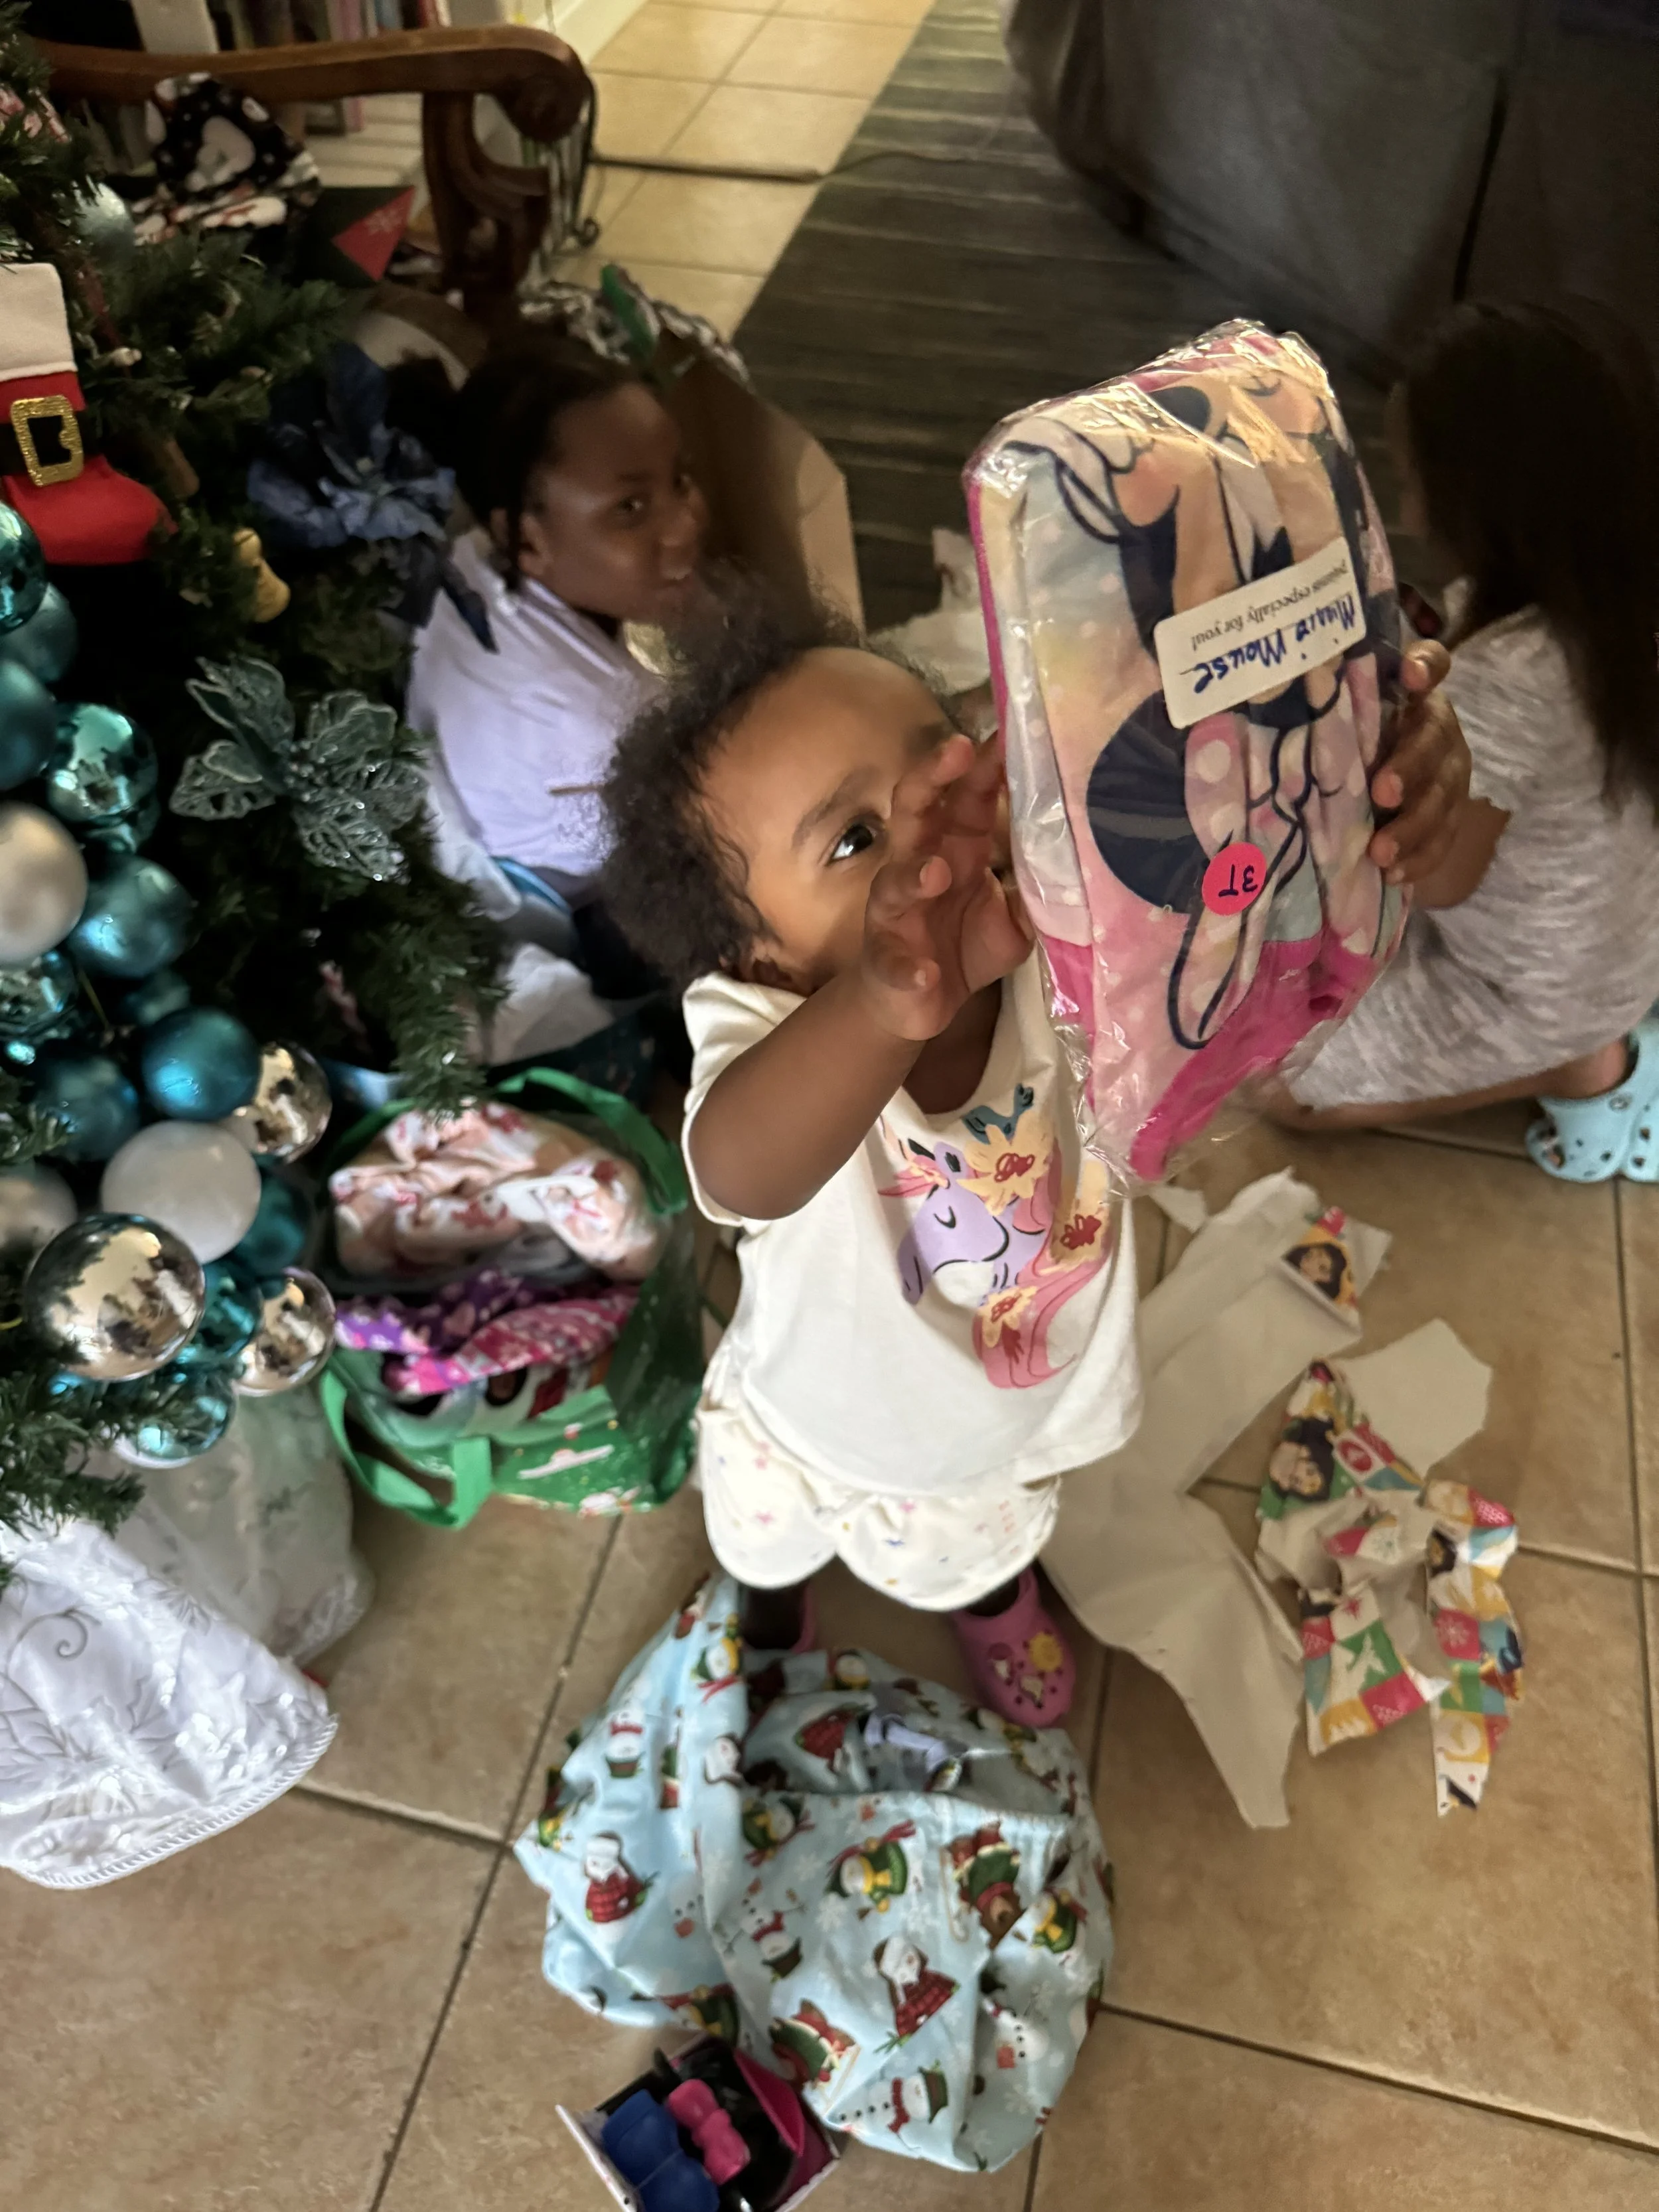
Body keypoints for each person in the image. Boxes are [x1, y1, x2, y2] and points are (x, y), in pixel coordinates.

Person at [599, 593, 1469, 1724]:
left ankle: (994, 1597)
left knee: (981, 1548)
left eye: (943, 780)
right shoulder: (762, 1027)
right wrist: (882, 998)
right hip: (811, 1423)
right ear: (754, 953)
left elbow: (1255, 902)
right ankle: (767, 1616)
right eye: (854, 839)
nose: (932, 845)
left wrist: (1351, 771)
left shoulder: (1077, 932)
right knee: (764, 1544)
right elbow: (738, 1170)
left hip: (1000, 1431)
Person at [1279, 300, 1659, 1179]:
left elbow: (1438, 881)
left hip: (1535, 992)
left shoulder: (1499, 689)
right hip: (1625, 940)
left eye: (1415, 482)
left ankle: (1575, 1063)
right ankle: (1588, 1032)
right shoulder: (1619, 606)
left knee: (1286, 1090)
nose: (1408, 511)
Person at [404, 325, 709, 999]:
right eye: (631, 508)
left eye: (679, 481)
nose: (684, 524)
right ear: (525, 538)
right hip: (580, 925)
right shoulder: (603, 721)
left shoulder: (472, 559)